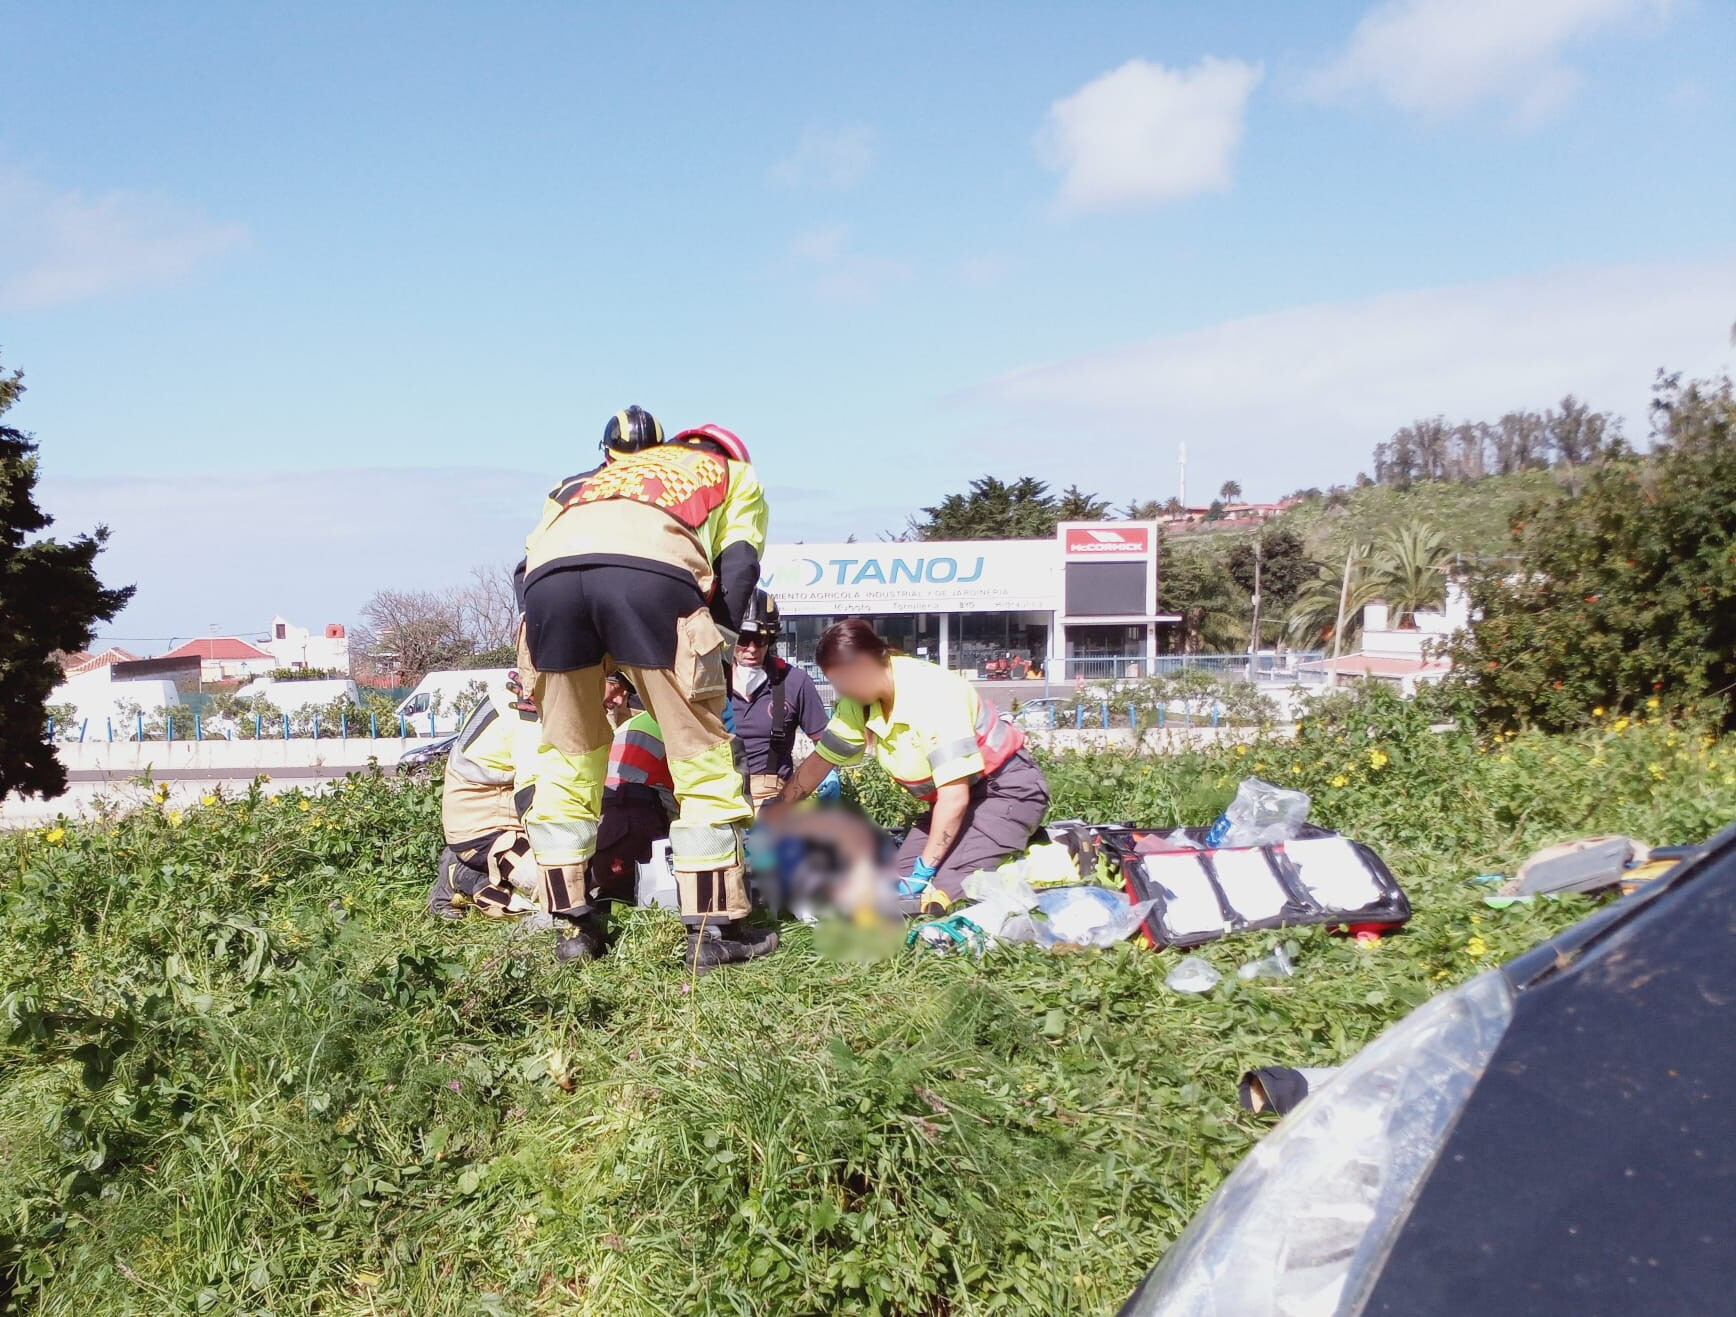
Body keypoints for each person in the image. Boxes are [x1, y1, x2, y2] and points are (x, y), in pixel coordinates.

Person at [518, 408, 774, 970]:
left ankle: (574, 927)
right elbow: (738, 566)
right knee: (702, 759)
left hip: (547, 591)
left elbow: (525, 568)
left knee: (568, 756)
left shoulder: (583, 482)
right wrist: (715, 646)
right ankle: (713, 932)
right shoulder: (732, 473)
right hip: (652, 583)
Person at [768, 619, 1049, 914]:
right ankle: (1000, 845)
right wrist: (779, 809)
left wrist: (924, 871)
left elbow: (955, 797)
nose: (840, 695)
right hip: (953, 804)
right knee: (891, 886)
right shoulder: (859, 701)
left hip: (1005, 793)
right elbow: (821, 760)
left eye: (842, 684)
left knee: (942, 892)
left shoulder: (934, 695)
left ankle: (1039, 855)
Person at [429, 673, 544, 920]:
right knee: (555, 883)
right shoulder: (526, 719)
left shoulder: (511, 693)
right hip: (487, 830)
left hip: (485, 815)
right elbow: (533, 797)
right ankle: (463, 876)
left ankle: (479, 869)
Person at [730, 590, 829, 808]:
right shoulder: (713, 684)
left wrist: (826, 777)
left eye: (761, 639)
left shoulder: (794, 681)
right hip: (720, 796)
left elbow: (825, 745)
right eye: (743, 640)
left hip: (771, 797)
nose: (752, 649)